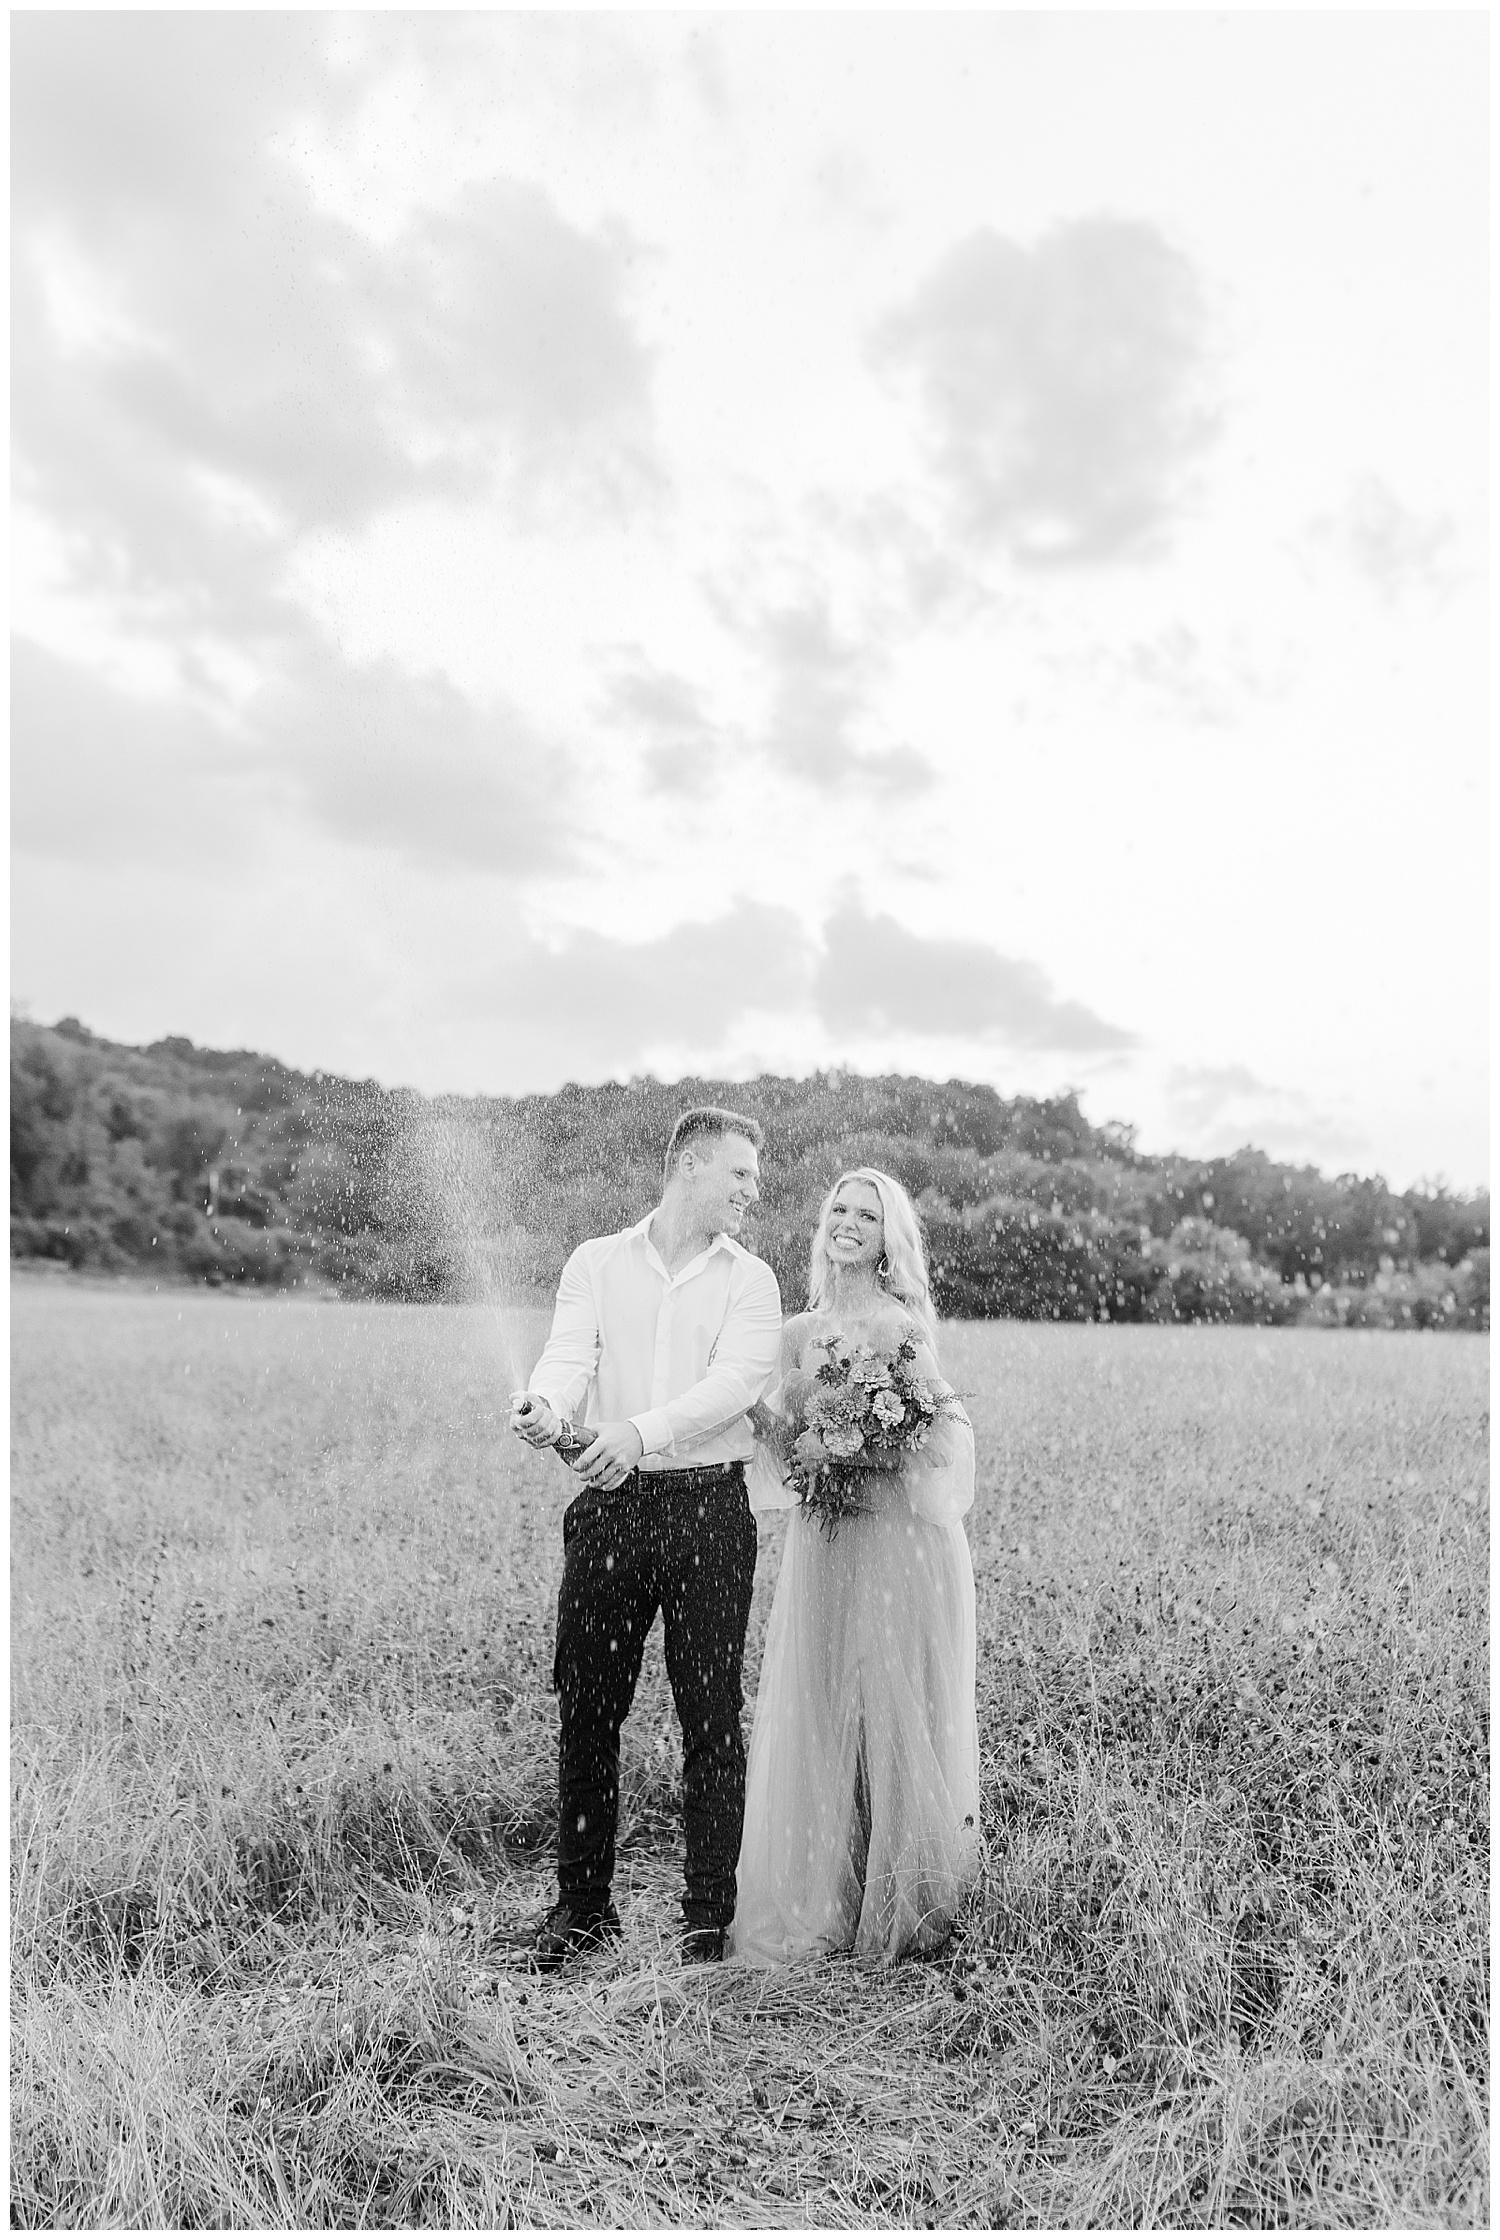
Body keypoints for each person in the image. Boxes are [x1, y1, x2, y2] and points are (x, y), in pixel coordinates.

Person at [510, 1107, 782, 1969]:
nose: (752, 1190)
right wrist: (546, 1408)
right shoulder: (596, 1261)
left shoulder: (753, 1279)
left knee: (711, 1718)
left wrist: (635, 1433)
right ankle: (582, 1909)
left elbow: (735, 1383)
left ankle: (708, 1921)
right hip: (609, 1515)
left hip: (708, 1515)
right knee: (589, 1712)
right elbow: (566, 1356)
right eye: (739, 1173)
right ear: (690, 1165)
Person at [731, 1167, 980, 1965]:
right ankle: (827, 1896)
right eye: (839, 1208)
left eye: (867, 1215)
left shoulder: (902, 1325)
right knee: (821, 1699)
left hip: (893, 1540)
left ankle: (905, 1898)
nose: (848, 1222)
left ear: (886, 1238)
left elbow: (941, 1431)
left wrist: (867, 1442)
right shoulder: (797, 1333)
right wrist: (764, 1422)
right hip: (824, 1539)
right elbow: (782, 1444)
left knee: (889, 1704)